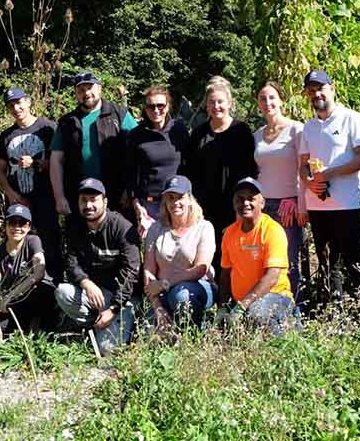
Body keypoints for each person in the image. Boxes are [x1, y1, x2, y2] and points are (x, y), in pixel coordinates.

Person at [298, 69, 360, 305]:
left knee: (353, 263)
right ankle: (334, 313)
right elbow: (302, 165)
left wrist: (331, 172)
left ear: (332, 89)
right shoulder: (308, 127)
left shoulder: (351, 118)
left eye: (321, 88)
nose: (316, 94)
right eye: (311, 90)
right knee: (327, 264)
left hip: (346, 204)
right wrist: (309, 183)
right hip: (318, 205)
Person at [54, 178, 140, 355]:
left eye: (94, 199)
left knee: (108, 350)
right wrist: (86, 282)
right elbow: (71, 263)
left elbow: (131, 271)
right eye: (84, 200)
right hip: (94, 294)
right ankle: (94, 324)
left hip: (122, 299)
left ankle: (124, 323)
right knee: (62, 292)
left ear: (105, 201)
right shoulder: (76, 228)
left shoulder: (122, 227)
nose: (89, 205)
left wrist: (114, 308)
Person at [185, 76, 258, 276]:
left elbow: (249, 170)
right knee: (206, 252)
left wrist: (243, 204)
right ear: (206, 105)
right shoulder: (198, 134)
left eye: (220, 102)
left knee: (233, 251)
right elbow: (188, 169)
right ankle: (209, 297)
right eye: (212, 102)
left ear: (229, 103)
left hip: (233, 204)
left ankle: (233, 297)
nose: (216, 106)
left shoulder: (241, 131)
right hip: (203, 207)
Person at [49, 72, 138, 215]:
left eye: (90, 88)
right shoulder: (67, 122)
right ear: (76, 94)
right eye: (81, 90)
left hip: (117, 197)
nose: (86, 93)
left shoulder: (120, 114)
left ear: (100, 89)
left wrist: (130, 190)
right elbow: (56, 160)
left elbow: (137, 152)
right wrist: (59, 197)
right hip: (79, 199)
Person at [0, 87, 60, 281]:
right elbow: (0, 169)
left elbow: (59, 163)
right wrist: (11, 194)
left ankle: (53, 288)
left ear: (29, 102)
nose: (16, 108)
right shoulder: (6, 135)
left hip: (45, 199)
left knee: (50, 244)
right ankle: (17, 288)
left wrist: (37, 163)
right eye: (11, 105)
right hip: (17, 200)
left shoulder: (48, 128)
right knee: (17, 245)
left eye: (19, 102)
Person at [253, 81, 308, 304]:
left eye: (272, 97)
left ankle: (296, 313)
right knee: (264, 261)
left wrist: (300, 203)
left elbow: (305, 170)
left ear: (281, 100)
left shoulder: (296, 130)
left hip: (288, 206)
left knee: (289, 262)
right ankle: (268, 310)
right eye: (263, 99)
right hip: (263, 207)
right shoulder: (256, 135)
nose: (268, 103)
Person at [218, 178, 294, 335]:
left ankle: (281, 343)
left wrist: (242, 306)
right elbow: (225, 274)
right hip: (245, 303)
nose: (245, 203)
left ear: (262, 203)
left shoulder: (273, 230)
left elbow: (272, 276)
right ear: (234, 203)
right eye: (240, 198)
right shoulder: (229, 233)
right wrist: (223, 308)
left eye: (251, 198)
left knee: (256, 312)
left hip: (276, 297)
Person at [143, 176, 216, 329]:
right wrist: (157, 307)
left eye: (180, 197)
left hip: (196, 287)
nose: (175, 203)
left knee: (182, 296)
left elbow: (200, 269)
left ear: (190, 199)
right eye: (170, 198)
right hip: (161, 291)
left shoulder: (204, 227)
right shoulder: (156, 228)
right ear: (165, 201)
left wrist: (165, 283)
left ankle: (193, 335)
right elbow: (149, 271)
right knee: (146, 330)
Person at [0, 204, 56, 339]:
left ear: (28, 227)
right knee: (2, 329)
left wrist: (10, 295)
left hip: (37, 293)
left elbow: (38, 273)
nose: (17, 227)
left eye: (22, 223)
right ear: (5, 225)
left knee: (43, 293)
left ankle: (42, 325)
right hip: (17, 301)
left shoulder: (33, 241)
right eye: (12, 222)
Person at [125, 86, 189, 225]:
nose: (155, 110)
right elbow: (130, 172)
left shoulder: (179, 129)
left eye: (160, 105)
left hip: (177, 200)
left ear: (167, 106)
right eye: (151, 106)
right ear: (145, 108)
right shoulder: (137, 135)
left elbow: (188, 164)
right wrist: (136, 204)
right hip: (150, 203)